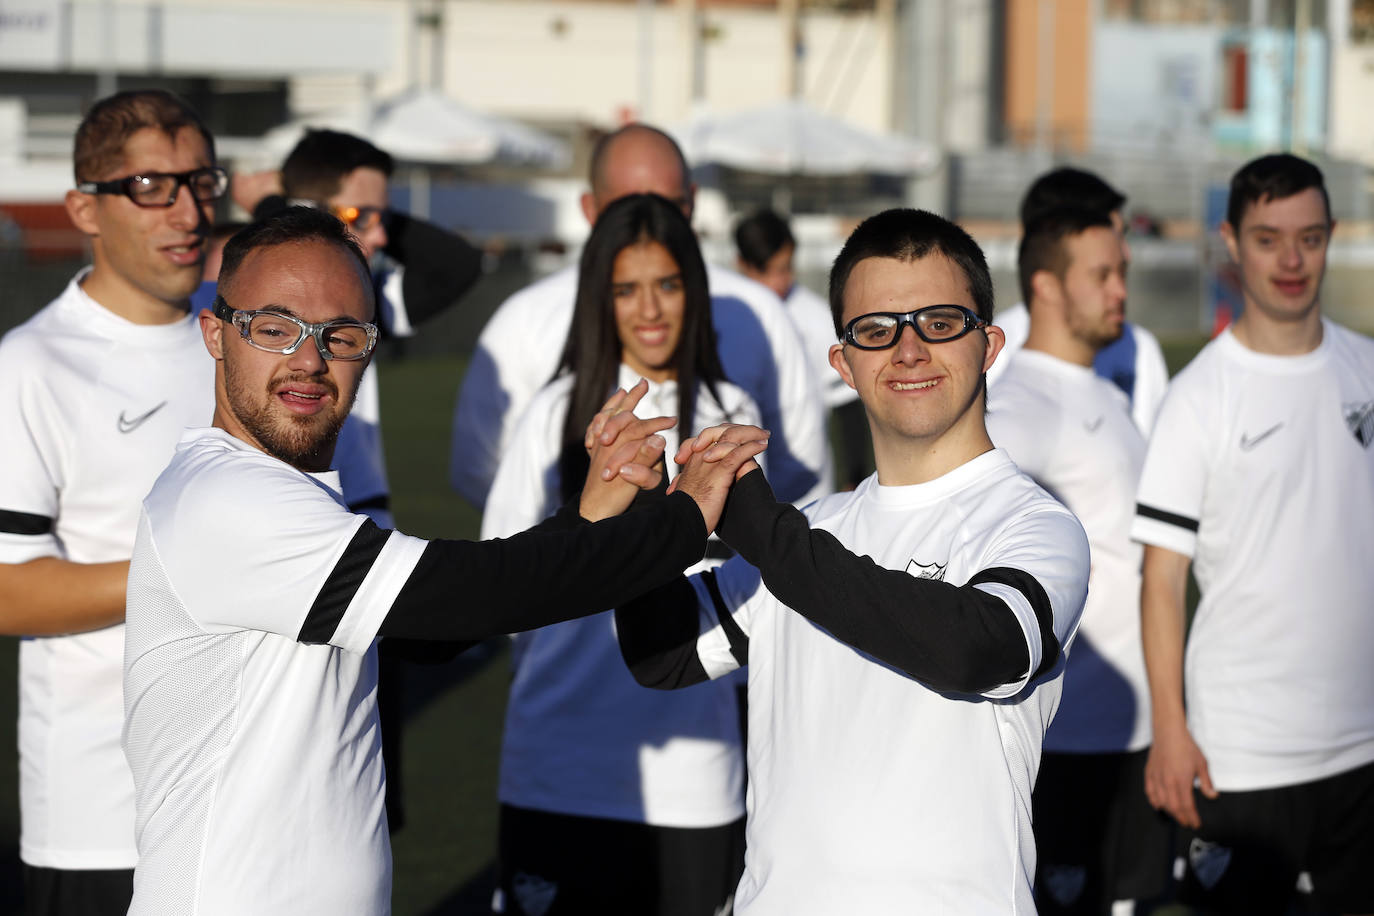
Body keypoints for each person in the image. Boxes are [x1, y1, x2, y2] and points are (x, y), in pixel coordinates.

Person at [121, 206, 767, 914]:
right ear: (216, 333)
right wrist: (682, 518)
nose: (308, 359)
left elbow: (433, 630)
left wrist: (586, 511)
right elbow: (471, 595)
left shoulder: (284, 494)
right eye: (274, 328)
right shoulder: (226, 497)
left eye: (340, 335)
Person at [615, 208, 1091, 912]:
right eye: (876, 331)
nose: (908, 351)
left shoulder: (1037, 527)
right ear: (843, 363)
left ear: (989, 345)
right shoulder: (810, 530)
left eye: (939, 323)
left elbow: (976, 649)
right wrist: (650, 516)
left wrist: (763, 528)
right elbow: (663, 655)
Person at [483, 193, 758, 915]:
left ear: (694, 292)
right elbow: (497, 584)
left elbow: (758, 593)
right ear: (596, 300)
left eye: (667, 284)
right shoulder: (554, 413)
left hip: (697, 772)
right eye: (626, 289)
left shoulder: (733, 414)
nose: (650, 309)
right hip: (558, 766)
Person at [0, 89, 227, 915]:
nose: (188, 210)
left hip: (251, 807)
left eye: (201, 182)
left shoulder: (240, 341)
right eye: (151, 188)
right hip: (104, 816)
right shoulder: (30, 368)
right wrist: (192, 573)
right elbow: (8, 590)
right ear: (82, 210)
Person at [1133, 153, 1374, 916]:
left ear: (1332, 237)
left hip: (1363, 747)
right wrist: (1171, 731)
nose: (1292, 260)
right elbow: (1162, 581)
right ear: (1231, 244)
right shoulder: (1199, 397)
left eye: (1309, 237)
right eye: (1269, 239)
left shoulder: (1367, 369)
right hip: (1242, 755)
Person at [451, 123, 829, 510]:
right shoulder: (526, 322)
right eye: (627, 208)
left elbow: (799, 465)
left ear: (692, 202)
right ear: (590, 208)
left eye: (669, 206)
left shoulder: (758, 316)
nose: (649, 309)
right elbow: (484, 477)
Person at [986, 207, 1170, 914]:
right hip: (1066, 745)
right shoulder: (1025, 402)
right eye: (1103, 274)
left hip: (1131, 732)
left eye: (1122, 272)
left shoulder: (1100, 391)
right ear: (1047, 286)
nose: (1121, 289)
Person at [988, 167, 1168, 435]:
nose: (1125, 252)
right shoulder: (996, 347)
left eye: (1123, 235)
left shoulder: (1140, 348)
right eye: (1110, 234)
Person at [735, 208, 869, 488]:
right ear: (741, 264)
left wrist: (853, 479)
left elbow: (848, 410)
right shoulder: (723, 314)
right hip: (739, 485)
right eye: (766, 271)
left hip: (807, 489)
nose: (778, 281)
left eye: (784, 268)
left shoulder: (817, 317)